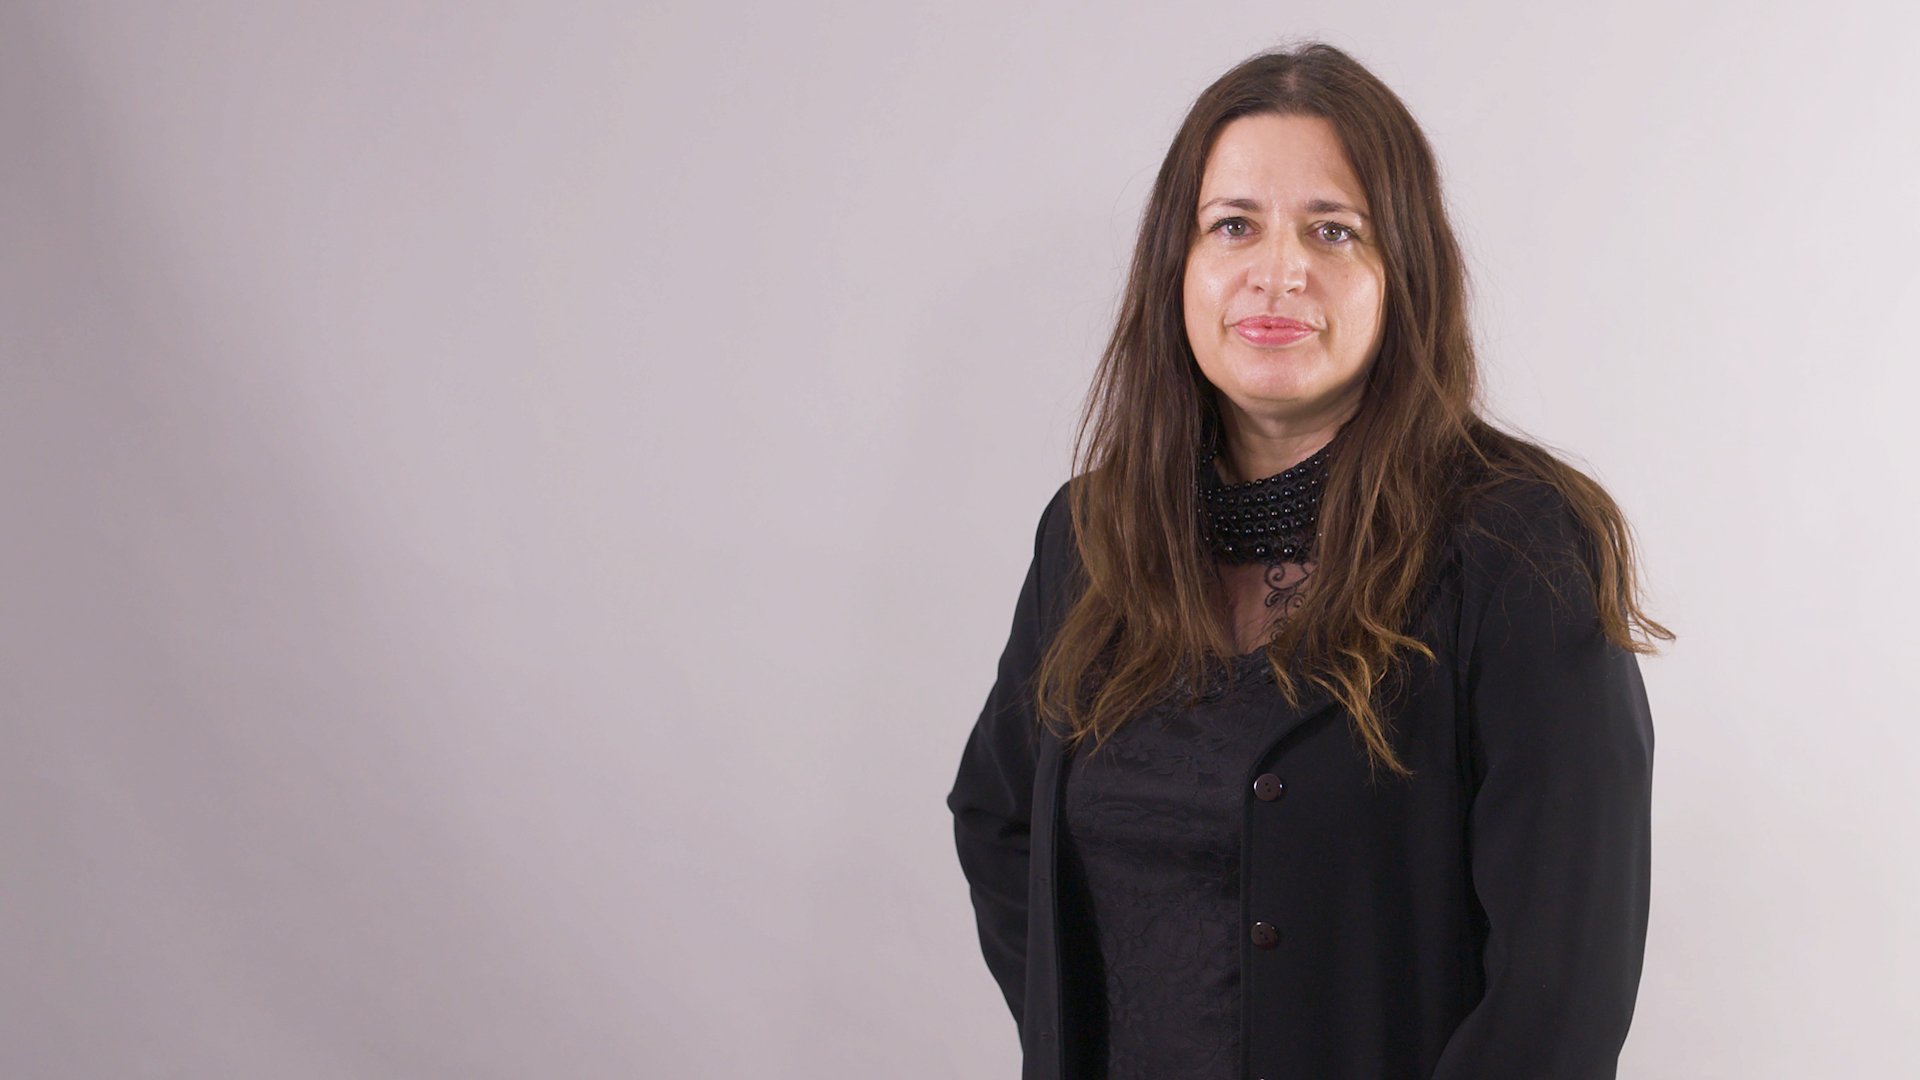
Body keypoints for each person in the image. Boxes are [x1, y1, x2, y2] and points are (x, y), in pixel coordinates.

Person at [945, 42, 1671, 1080]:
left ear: (1404, 273)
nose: (1278, 271)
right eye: (1233, 225)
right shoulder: (1092, 534)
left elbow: (1559, 991)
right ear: (1177, 265)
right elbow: (999, 817)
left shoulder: (1519, 544)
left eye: (1333, 230)